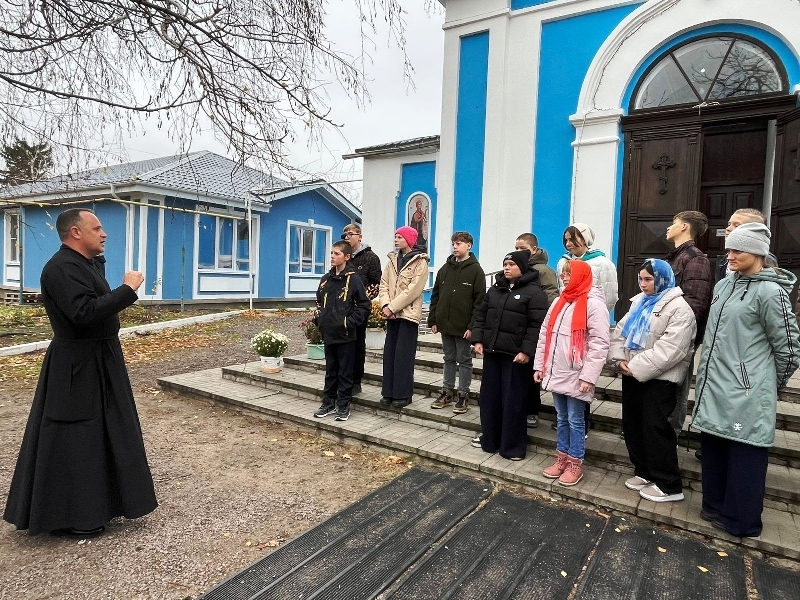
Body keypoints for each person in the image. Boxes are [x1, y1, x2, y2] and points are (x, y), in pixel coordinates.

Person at [3, 209, 158, 537]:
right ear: (75, 233)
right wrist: (127, 290)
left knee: (106, 431)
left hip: (102, 358)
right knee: (77, 437)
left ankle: (104, 506)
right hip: (76, 365)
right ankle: (71, 517)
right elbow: (83, 313)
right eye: (97, 228)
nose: (104, 233)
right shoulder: (60, 268)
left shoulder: (84, 265)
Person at [692, 223, 800, 537]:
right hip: (715, 385)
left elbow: (790, 349)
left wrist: (763, 384)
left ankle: (741, 521)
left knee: (745, 456)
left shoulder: (771, 292)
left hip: (746, 392)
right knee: (714, 448)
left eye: (737, 250)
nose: (730, 256)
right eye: (729, 249)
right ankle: (714, 506)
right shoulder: (725, 286)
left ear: (758, 252)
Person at [608, 259, 695, 503]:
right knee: (633, 425)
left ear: (663, 279)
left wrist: (634, 367)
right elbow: (619, 333)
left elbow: (671, 349)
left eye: (649, 279)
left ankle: (668, 484)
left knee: (656, 428)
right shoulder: (639, 303)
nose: (643, 284)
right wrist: (620, 360)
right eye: (641, 279)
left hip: (659, 379)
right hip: (632, 375)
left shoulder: (679, 308)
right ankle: (644, 471)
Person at [535, 260, 609, 486]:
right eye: (563, 274)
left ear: (582, 275)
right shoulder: (559, 301)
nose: (564, 278)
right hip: (556, 370)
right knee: (561, 417)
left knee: (576, 420)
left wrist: (589, 376)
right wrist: (540, 366)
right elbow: (544, 336)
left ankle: (575, 462)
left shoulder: (594, 305)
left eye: (569, 274)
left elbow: (600, 343)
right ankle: (561, 458)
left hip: (577, 374)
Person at [471, 250, 548, 461]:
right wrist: (478, 340)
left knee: (513, 401)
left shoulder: (535, 293)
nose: (507, 268)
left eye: (511, 264)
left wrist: (526, 351)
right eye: (505, 264)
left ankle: (512, 447)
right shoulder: (496, 289)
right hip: (493, 354)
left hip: (516, 358)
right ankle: (490, 440)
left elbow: (537, 326)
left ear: (522, 267)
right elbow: (481, 315)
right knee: (490, 399)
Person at [556, 222, 618, 437]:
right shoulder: (564, 262)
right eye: (566, 240)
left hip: (588, 325)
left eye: (573, 239)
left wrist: (592, 317)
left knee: (583, 376)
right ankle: (567, 422)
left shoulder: (602, 263)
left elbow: (609, 295)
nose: (568, 243)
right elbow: (562, 292)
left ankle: (581, 422)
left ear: (585, 239)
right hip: (567, 326)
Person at [664, 211, 713, 437]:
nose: (668, 227)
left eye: (672, 223)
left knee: (676, 390)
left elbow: (695, 302)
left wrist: (677, 333)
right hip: (663, 333)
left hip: (679, 337)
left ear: (684, 226)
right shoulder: (674, 256)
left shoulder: (695, 258)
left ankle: (670, 438)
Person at [428, 231, 485, 414]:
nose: (455, 246)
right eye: (453, 243)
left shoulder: (476, 270)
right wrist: (433, 319)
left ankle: (463, 395)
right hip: (445, 323)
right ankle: (447, 392)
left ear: (469, 245)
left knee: (465, 360)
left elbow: (479, 302)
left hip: (463, 327)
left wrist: (472, 327)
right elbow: (436, 295)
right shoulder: (445, 269)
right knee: (448, 358)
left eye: (459, 243)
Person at [312, 240, 370, 422]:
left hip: (345, 335)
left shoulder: (354, 279)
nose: (332, 257)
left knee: (345, 372)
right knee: (331, 370)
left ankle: (343, 405)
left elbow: (364, 305)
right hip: (329, 334)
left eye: (336, 254)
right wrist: (319, 319)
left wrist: (349, 322)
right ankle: (328, 402)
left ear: (347, 257)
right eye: (331, 253)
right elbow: (318, 302)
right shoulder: (326, 279)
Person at [378, 226, 429, 407]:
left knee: (403, 356)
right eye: (395, 237)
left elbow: (413, 290)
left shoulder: (420, 262)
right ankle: (389, 392)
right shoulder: (392, 260)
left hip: (408, 315)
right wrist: (385, 305)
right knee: (390, 354)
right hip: (391, 315)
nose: (396, 240)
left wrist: (392, 307)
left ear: (409, 239)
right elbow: (383, 284)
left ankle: (403, 394)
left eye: (400, 237)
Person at [515, 233, 558, 429]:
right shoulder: (518, 268)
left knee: (531, 372)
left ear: (533, 249)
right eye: (516, 248)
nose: (518, 252)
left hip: (534, 328)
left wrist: (540, 319)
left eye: (522, 248)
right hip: (517, 328)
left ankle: (532, 411)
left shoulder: (543, 271)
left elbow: (550, 296)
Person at [340, 224, 381, 395]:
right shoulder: (343, 256)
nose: (347, 237)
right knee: (342, 345)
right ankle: (341, 379)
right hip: (341, 310)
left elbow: (376, 284)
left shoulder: (370, 257)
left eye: (350, 234)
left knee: (357, 345)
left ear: (360, 236)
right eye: (345, 235)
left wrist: (361, 301)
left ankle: (356, 381)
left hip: (358, 311)